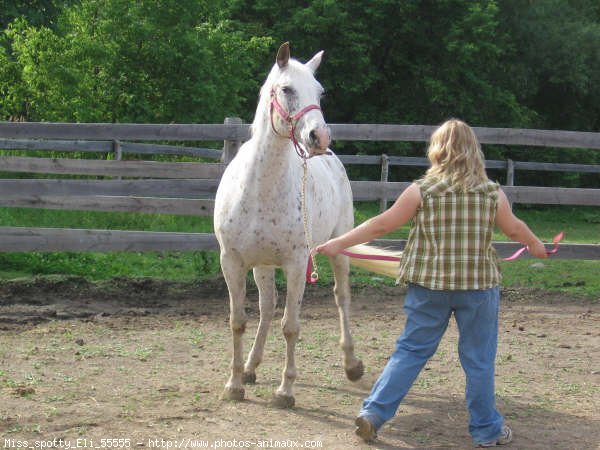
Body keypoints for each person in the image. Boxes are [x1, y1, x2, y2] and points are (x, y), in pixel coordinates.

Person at [314, 118, 548, 447]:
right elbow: (514, 229)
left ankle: (373, 414)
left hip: (429, 289)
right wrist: (535, 244)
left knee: (410, 352)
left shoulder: (420, 191)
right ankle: (487, 431)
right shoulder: (492, 193)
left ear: (436, 151)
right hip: (478, 289)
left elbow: (382, 225)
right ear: (474, 152)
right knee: (479, 358)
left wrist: (340, 242)